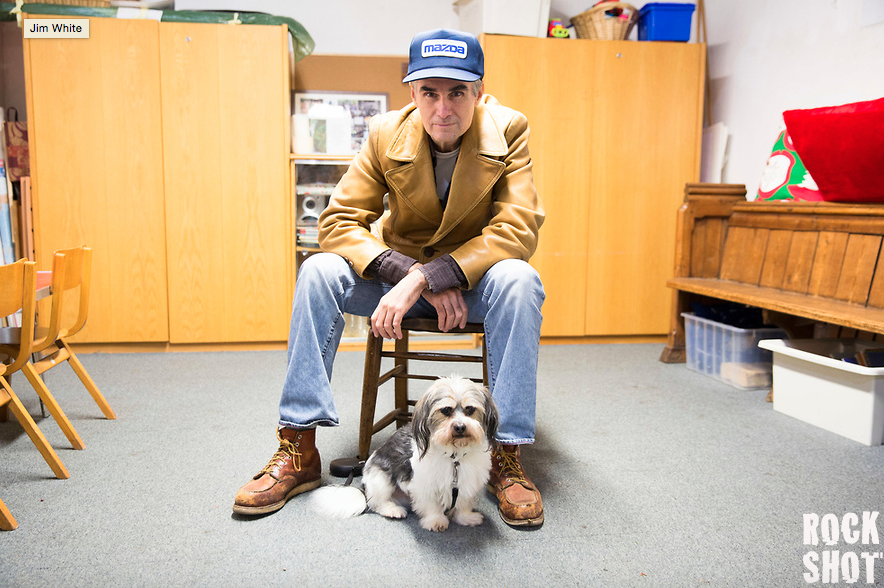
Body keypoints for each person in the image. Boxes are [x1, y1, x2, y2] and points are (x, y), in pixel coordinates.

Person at [233, 28, 546, 527]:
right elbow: (336, 222)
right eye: (430, 93)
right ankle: (298, 447)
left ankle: (506, 456)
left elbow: (517, 227)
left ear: (479, 93)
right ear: (413, 93)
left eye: (458, 92)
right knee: (318, 270)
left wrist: (435, 276)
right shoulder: (384, 132)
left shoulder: (509, 128)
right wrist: (406, 274)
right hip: (394, 287)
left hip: (473, 287)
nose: (444, 107)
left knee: (521, 279)